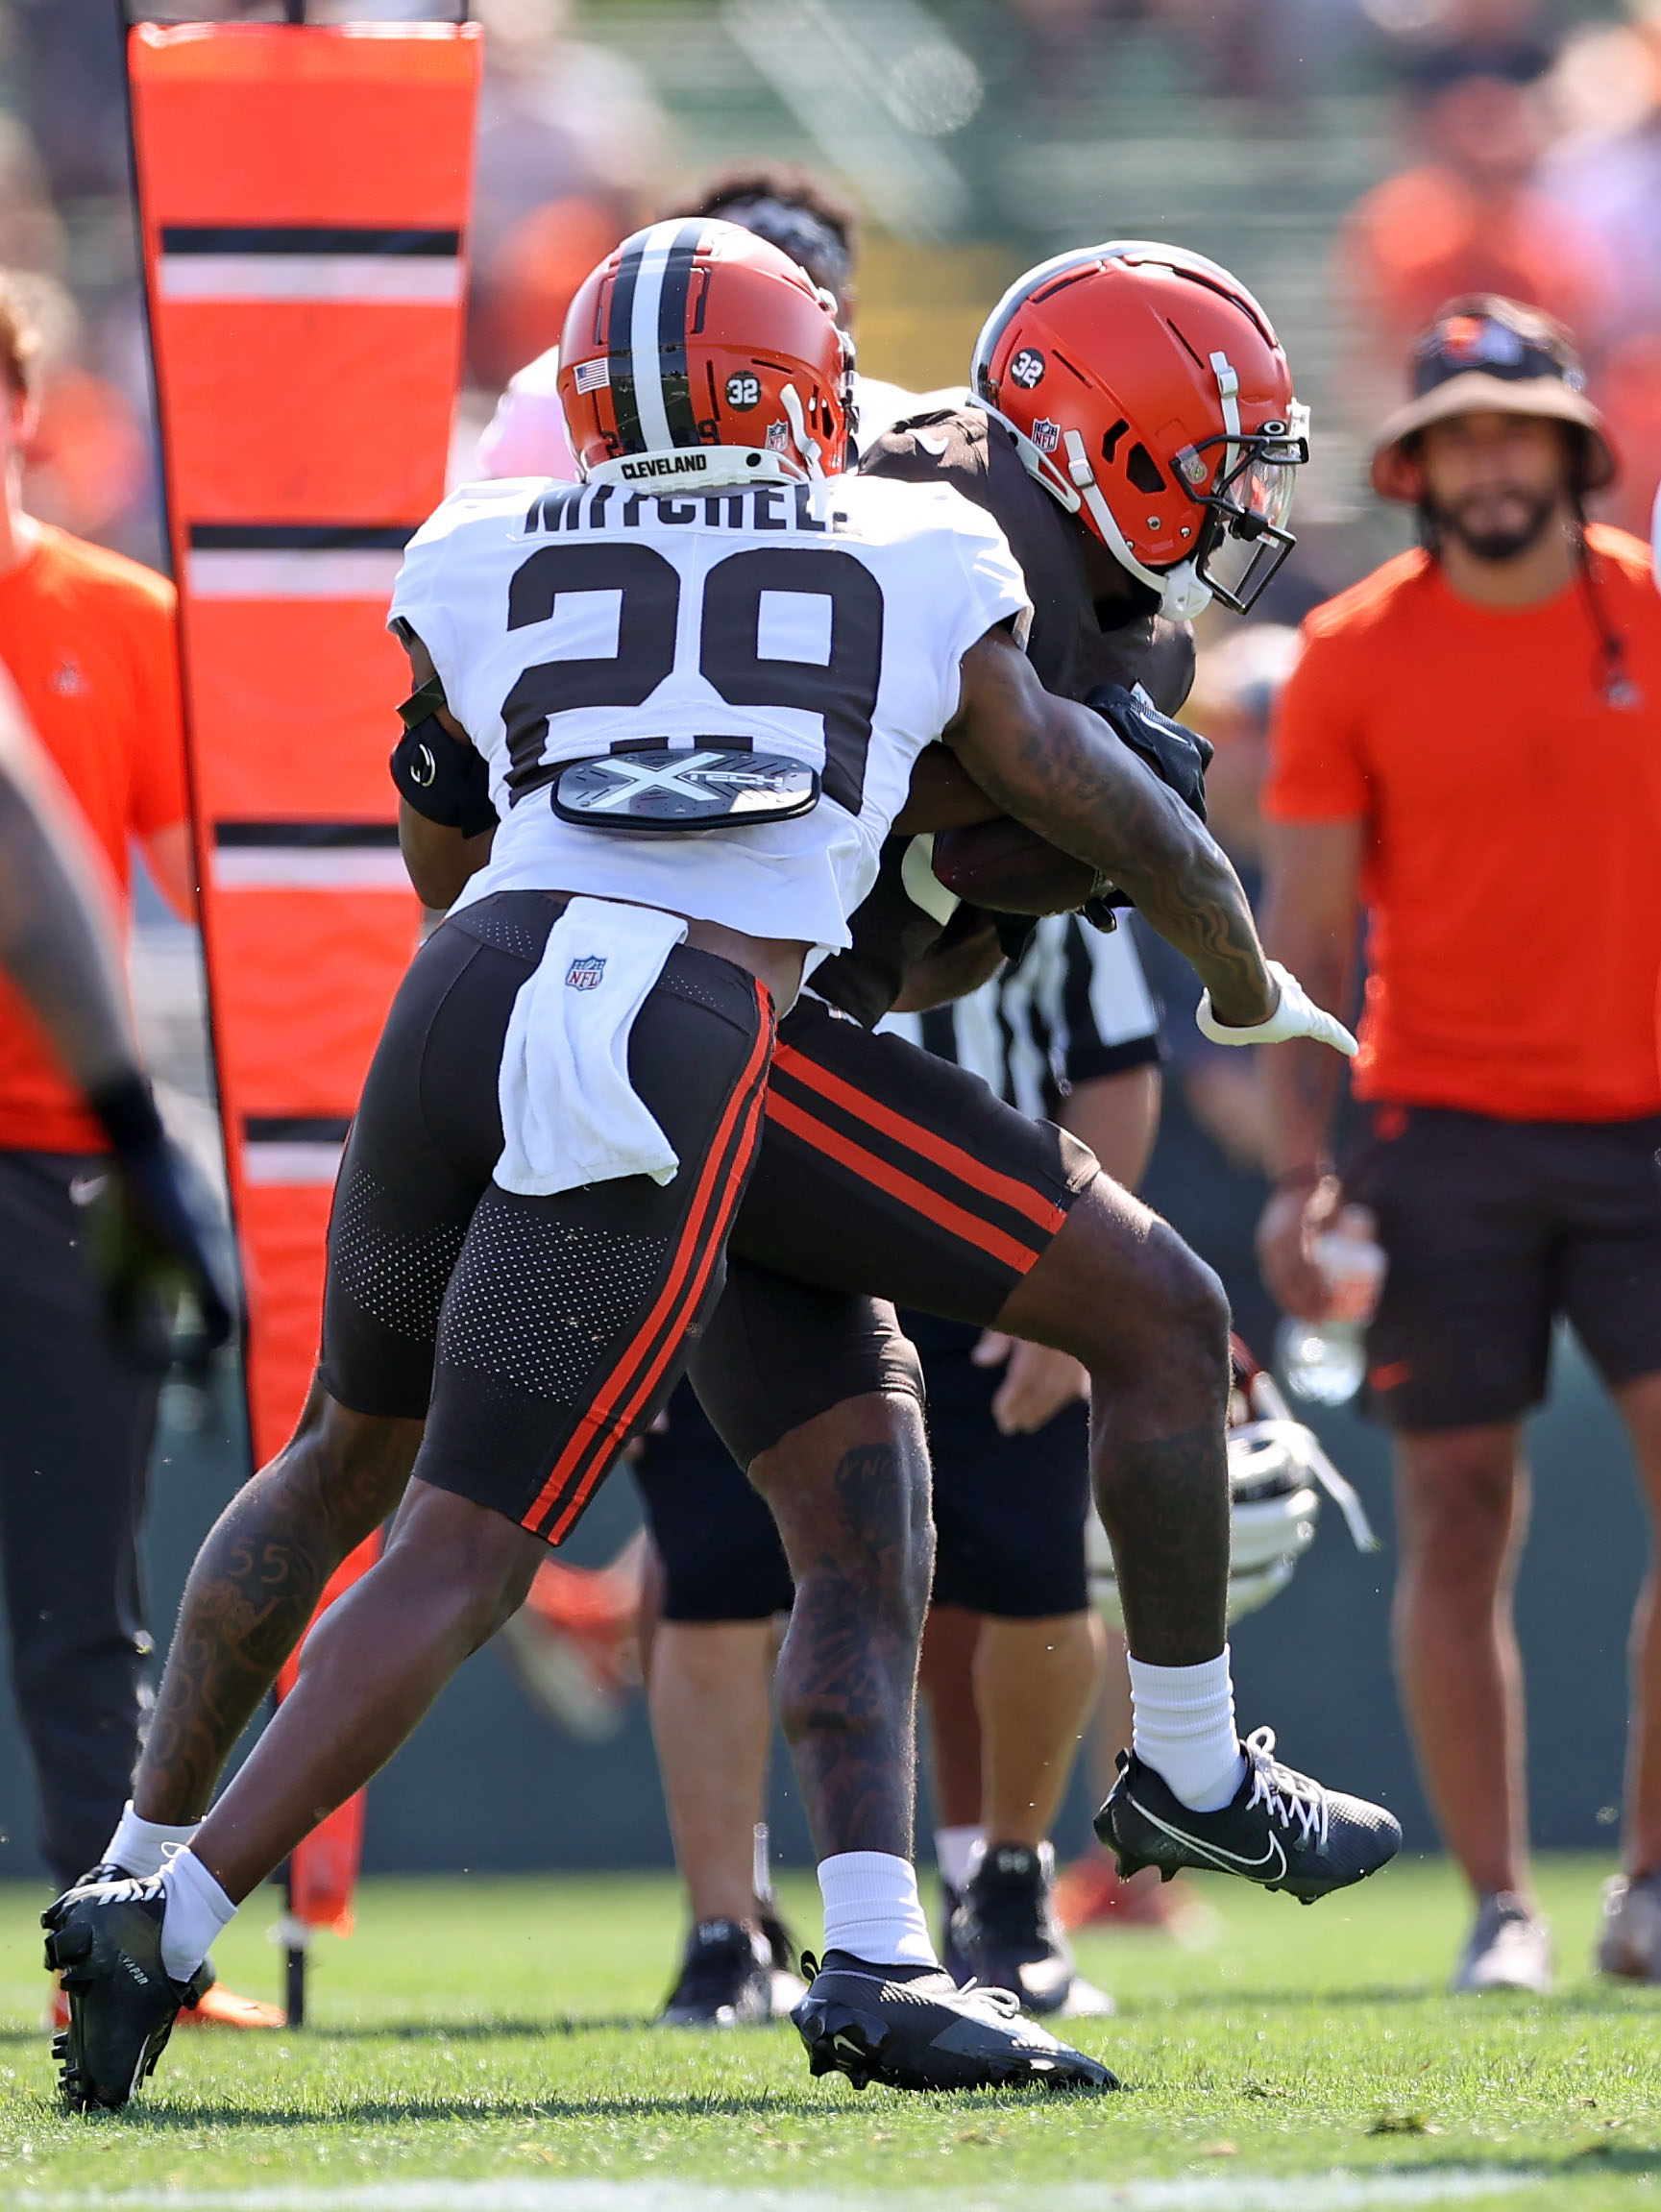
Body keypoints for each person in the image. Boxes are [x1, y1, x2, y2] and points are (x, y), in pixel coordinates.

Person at [47, 230, 1392, 2112]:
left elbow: (442, 822)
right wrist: (1248, 984)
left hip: (465, 998)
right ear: (804, 386)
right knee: (477, 1534)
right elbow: (1095, 795)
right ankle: (169, 1914)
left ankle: (867, 1952)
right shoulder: (919, 551)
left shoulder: (489, 543)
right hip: (678, 1028)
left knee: (646, 1464)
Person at [1258, 293, 1661, 1993]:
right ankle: (1498, 1905)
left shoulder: (1649, 610)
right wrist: (1299, 1173)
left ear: (1571, 446)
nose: (1493, 463)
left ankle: (1645, 1884)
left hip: (1646, 1131)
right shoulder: (1353, 650)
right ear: (1418, 462)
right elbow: (1307, 941)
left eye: (1521, 430)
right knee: (1456, 1513)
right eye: (1463, 434)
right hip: (1442, 1132)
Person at [0, 279, 262, 2030]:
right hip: (81, 1135)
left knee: (84, 1580)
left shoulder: (115, 615)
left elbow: (221, 906)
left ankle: (121, 1947)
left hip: (48, 1159)